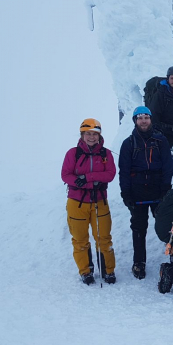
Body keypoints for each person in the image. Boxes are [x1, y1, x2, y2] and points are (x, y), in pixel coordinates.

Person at [119, 106, 173, 279]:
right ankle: (139, 262)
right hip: (137, 193)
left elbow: (168, 166)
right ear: (135, 121)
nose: (143, 121)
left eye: (146, 117)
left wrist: (166, 188)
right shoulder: (128, 143)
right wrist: (126, 193)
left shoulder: (160, 141)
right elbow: (124, 171)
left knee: (168, 227)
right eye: (140, 118)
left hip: (158, 191)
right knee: (138, 228)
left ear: (151, 119)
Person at [61, 118, 117, 285]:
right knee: (80, 239)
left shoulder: (106, 154)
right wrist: (85, 181)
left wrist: (86, 178)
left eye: (95, 134)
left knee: (104, 237)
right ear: (82, 135)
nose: (91, 137)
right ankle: (86, 271)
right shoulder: (73, 153)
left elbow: (110, 174)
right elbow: (66, 175)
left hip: (99, 201)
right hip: (77, 203)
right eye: (88, 134)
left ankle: (108, 270)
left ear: (99, 136)